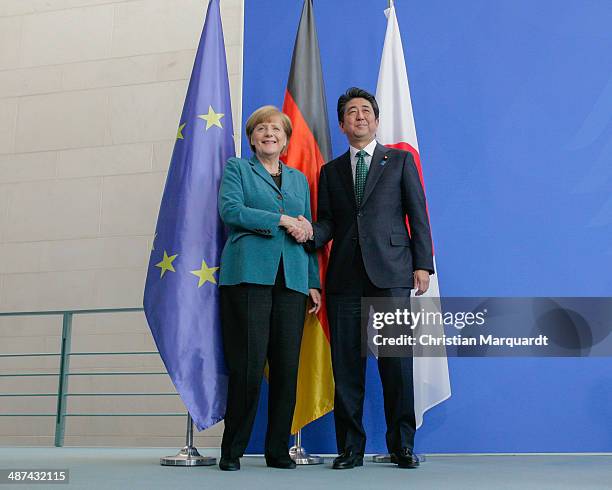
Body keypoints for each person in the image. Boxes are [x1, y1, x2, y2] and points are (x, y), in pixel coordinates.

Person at [297, 87, 435, 469]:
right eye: (351, 112)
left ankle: (401, 445)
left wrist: (422, 263)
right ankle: (350, 449)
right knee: (347, 369)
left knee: (396, 365)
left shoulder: (401, 161)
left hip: (391, 274)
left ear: (375, 120)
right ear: (342, 124)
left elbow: (417, 214)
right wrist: (311, 231)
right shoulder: (330, 171)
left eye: (365, 111)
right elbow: (328, 221)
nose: (359, 117)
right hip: (344, 278)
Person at [217, 105, 320, 471]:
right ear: (251, 137)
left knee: (286, 368)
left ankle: (278, 450)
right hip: (248, 277)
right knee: (246, 367)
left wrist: (312, 282)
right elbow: (232, 211)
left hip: (291, 281)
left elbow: (305, 231)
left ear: (286, 139)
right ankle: (232, 451)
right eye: (261, 128)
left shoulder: (298, 180)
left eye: (276, 129)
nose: (269, 133)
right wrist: (281, 219)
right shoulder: (237, 169)